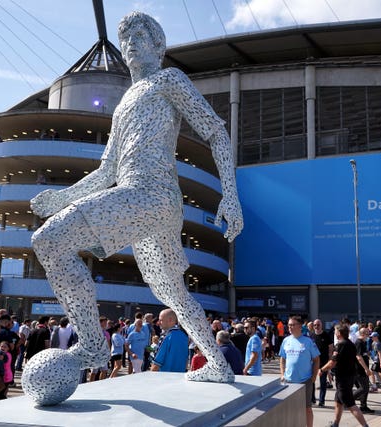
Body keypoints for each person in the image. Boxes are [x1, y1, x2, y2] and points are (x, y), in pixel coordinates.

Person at [28, 11, 242, 395]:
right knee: (171, 292)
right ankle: (218, 364)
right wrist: (61, 197)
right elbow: (105, 170)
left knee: (48, 241)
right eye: (125, 39)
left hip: (151, 195)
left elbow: (215, 129)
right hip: (144, 201)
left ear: (159, 47)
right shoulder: (126, 100)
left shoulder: (168, 80)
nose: (130, 44)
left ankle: (93, 346)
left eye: (140, 37)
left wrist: (231, 194)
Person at [319, 324, 368, 427]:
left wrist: (322, 369)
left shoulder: (340, 345)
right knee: (338, 401)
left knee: (350, 404)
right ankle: (335, 424)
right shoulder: (351, 344)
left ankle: (365, 425)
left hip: (343, 379)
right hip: (349, 377)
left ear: (339, 333)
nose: (334, 333)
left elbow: (332, 362)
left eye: (336, 331)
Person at [280, 316, 320, 427]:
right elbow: (282, 358)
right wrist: (282, 374)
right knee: (290, 409)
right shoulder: (286, 340)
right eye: (289, 325)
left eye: (292, 325)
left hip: (305, 381)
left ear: (300, 326)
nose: (290, 327)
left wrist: (314, 377)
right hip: (289, 381)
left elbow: (316, 359)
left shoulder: (308, 341)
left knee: (307, 409)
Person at [151, 309, 188, 373]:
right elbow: (186, 361)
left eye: (161, 320)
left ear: (170, 320)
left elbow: (156, 365)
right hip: (179, 377)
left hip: (164, 378)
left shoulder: (166, 336)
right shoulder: (184, 336)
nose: (158, 323)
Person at [310, 318, 332, 407]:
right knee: (312, 382)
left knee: (323, 383)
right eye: (315, 325)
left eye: (318, 325)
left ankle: (322, 400)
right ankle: (313, 399)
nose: (316, 326)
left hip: (324, 363)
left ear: (321, 325)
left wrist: (330, 362)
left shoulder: (326, 335)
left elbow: (331, 349)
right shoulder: (311, 336)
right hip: (313, 363)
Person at [354, 327, 375, 413]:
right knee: (363, 388)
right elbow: (358, 357)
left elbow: (363, 354)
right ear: (362, 334)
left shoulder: (363, 342)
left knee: (365, 388)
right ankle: (347, 400)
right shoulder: (359, 342)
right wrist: (366, 369)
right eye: (367, 333)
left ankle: (363, 406)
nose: (368, 335)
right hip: (359, 369)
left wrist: (368, 354)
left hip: (363, 369)